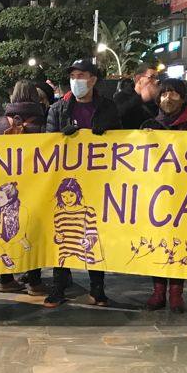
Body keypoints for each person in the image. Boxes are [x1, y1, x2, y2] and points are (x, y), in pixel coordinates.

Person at [44, 58, 121, 309]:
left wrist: (106, 132)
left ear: (93, 79)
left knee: (93, 233)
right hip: (66, 183)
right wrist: (60, 136)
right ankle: (58, 286)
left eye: (82, 76)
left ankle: (97, 289)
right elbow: (46, 144)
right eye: (73, 76)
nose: (77, 81)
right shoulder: (58, 109)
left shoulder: (108, 107)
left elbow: (121, 140)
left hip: (98, 182)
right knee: (63, 233)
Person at [139, 78, 187, 313]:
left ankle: (176, 293)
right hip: (156, 196)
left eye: (174, 94)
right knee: (157, 244)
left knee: (180, 244)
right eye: (164, 94)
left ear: (183, 96)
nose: (168, 98)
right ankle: (158, 292)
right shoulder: (150, 124)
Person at [0, 79, 47, 295]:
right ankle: (34, 281)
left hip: (5, 190)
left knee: (4, 231)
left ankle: (6, 279)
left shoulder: (0, 124)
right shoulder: (42, 122)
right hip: (35, 190)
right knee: (32, 233)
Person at [118, 63, 161, 129]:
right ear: (138, 79)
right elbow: (119, 114)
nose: (155, 81)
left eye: (156, 78)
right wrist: (140, 98)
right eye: (152, 77)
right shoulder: (121, 95)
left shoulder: (157, 95)